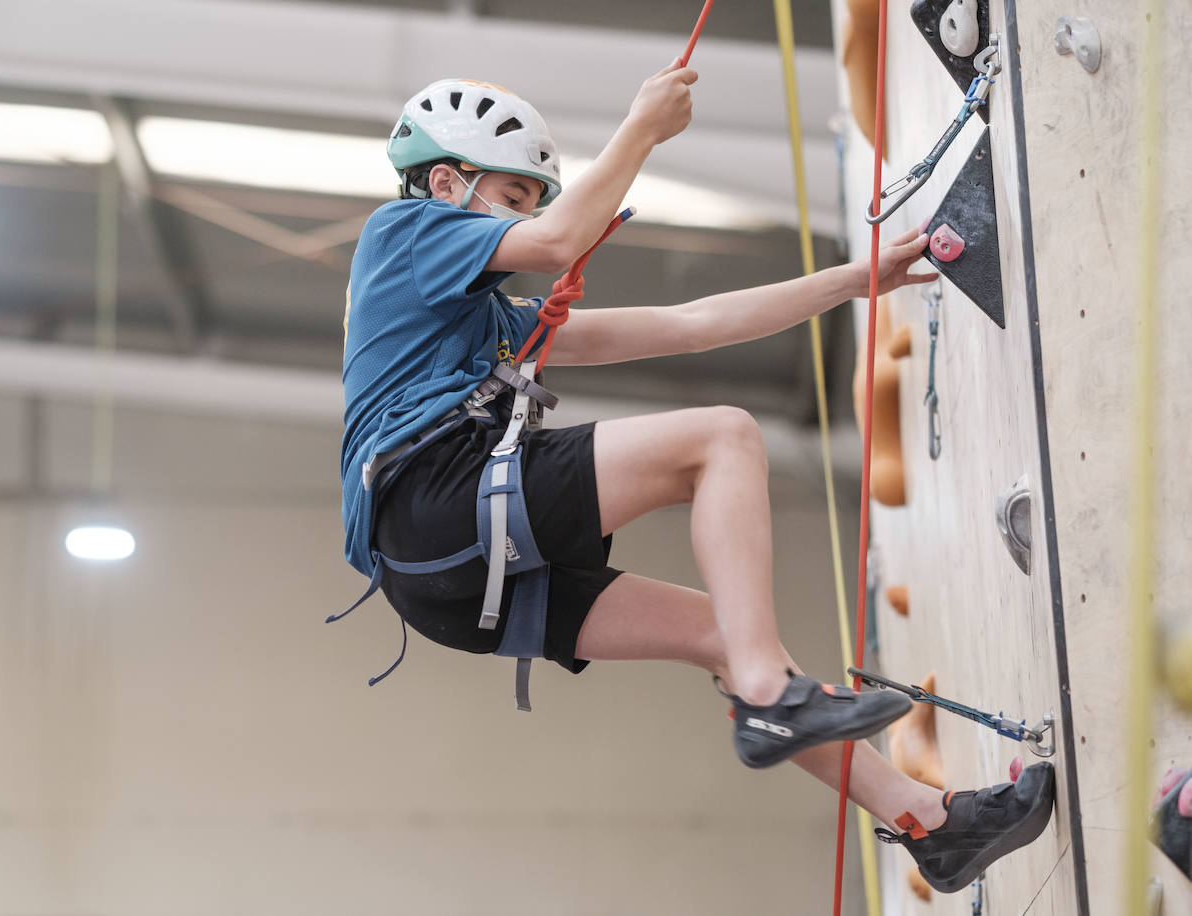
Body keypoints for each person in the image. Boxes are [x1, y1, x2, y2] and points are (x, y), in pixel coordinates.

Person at [339, 64, 1055, 894]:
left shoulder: (487, 323)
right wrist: (641, 125)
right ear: (442, 183)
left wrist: (859, 281)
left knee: (723, 631)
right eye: (508, 196)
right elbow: (558, 240)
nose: (522, 222)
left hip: (440, 586)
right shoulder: (403, 232)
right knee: (721, 439)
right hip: (432, 500)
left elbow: (689, 326)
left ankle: (932, 824)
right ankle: (768, 693)